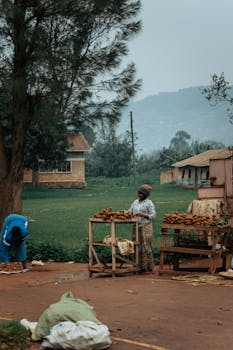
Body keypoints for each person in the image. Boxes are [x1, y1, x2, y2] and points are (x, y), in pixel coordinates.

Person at [128, 184, 156, 273]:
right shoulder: (135, 202)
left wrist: (143, 214)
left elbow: (153, 215)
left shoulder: (149, 203)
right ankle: (138, 266)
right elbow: (130, 211)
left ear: (145, 195)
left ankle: (148, 267)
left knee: (146, 245)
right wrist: (126, 213)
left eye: (142, 194)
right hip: (136, 226)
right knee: (137, 246)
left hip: (146, 226)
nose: (140, 195)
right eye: (139, 193)